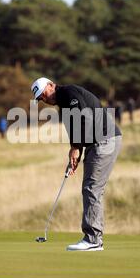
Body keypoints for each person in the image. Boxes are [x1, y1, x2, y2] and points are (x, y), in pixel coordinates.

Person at [31, 77, 122, 251]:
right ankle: (94, 238)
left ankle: (93, 239)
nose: (45, 100)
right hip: (99, 142)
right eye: (41, 99)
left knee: (91, 188)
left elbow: (84, 119)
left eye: (44, 94)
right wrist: (76, 153)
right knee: (92, 188)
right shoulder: (63, 104)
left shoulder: (68, 93)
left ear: (51, 85)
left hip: (105, 139)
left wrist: (76, 146)